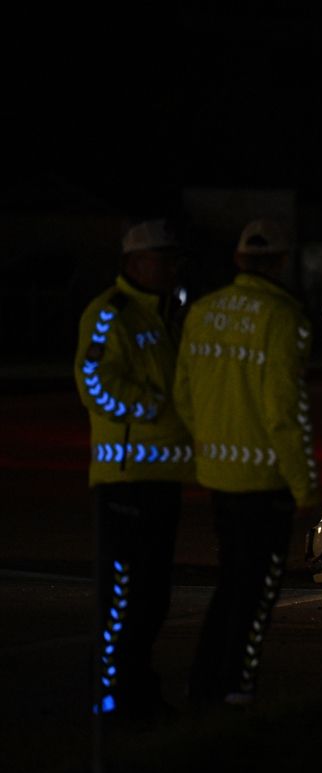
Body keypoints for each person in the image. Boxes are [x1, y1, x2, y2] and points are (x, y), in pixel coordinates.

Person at [173, 219, 319, 706]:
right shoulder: (284, 317)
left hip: (219, 475)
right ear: (280, 261)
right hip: (266, 479)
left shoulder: (202, 311)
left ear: (238, 260)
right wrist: (304, 486)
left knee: (230, 581)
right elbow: (285, 411)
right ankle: (238, 685)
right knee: (257, 592)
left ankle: (205, 679)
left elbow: (184, 395)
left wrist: (210, 445)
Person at [75, 218, 194, 720]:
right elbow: (92, 378)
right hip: (125, 479)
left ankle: (136, 692)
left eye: (173, 259)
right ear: (133, 263)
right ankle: (114, 698)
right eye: (159, 258)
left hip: (163, 479)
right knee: (125, 599)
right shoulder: (111, 313)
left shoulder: (167, 315)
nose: (169, 267)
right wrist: (147, 407)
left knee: (151, 598)